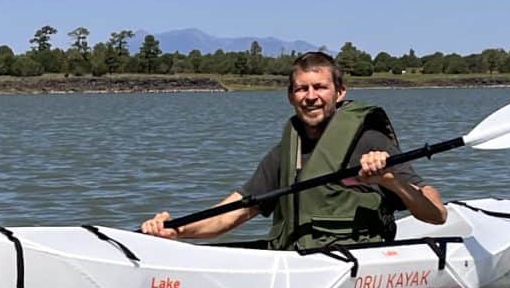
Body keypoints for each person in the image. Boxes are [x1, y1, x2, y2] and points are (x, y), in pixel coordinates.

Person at [140, 51, 447, 249]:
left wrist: (390, 180)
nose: (310, 96)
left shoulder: (369, 142)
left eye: (320, 88)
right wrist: (175, 231)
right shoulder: (283, 154)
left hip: (356, 261)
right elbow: (228, 216)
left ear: (340, 93)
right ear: (290, 96)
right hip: (293, 261)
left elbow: (436, 214)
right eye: (302, 89)